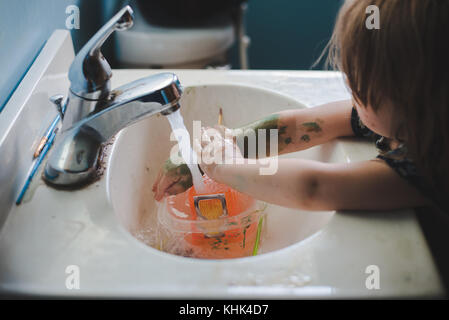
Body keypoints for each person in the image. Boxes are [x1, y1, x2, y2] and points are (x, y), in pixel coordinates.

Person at [153, 0, 449, 213]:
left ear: (415, 98)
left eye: (362, 86)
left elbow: (314, 188)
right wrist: (220, 149)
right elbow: (299, 127)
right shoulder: (397, 117)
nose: (351, 91)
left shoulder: (429, 167)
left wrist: (227, 167)